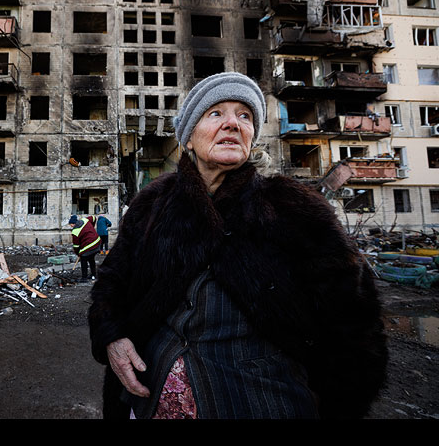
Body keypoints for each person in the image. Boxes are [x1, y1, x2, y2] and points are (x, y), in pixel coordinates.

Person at [88, 72, 388, 419]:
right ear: (187, 138)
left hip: (265, 401)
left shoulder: (295, 210)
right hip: (150, 395)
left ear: (251, 137)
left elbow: (356, 322)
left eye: (244, 116)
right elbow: (111, 283)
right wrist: (113, 337)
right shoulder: (151, 205)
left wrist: (340, 407)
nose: (232, 123)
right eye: (215, 113)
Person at [69, 214, 101, 281]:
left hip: (89, 245)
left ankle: (84, 278)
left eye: (71, 224)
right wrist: (91, 228)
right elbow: (94, 218)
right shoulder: (85, 220)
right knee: (91, 258)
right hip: (97, 242)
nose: (70, 226)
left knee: (84, 260)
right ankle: (93, 274)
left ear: (74, 223)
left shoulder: (75, 231)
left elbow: (76, 246)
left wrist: (78, 253)